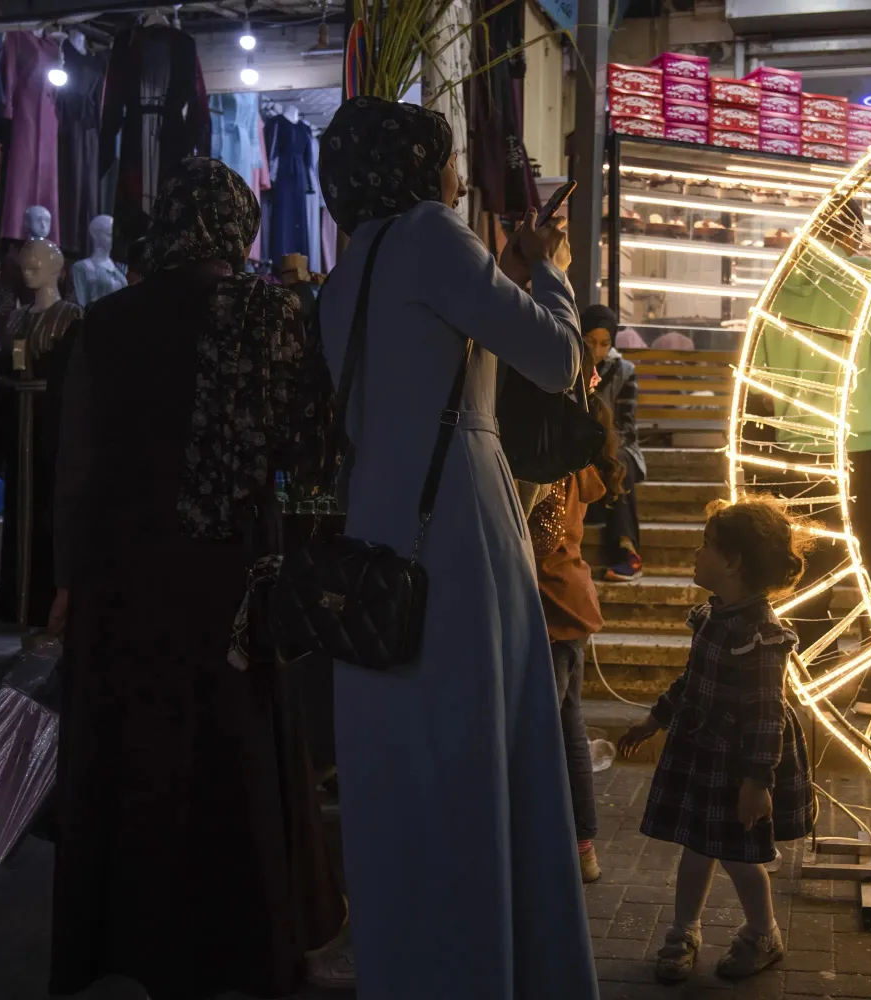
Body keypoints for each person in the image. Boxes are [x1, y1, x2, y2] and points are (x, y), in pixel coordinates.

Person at [314, 96, 599, 1000]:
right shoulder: (433, 235)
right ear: (416, 170)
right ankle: (502, 965)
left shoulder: (350, 262)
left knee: (409, 771)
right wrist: (548, 268)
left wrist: (506, 269)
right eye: (446, 160)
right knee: (485, 753)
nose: (459, 177)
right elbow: (557, 361)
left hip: (377, 527)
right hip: (459, 527)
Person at [49, 158, 345, 999]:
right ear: (238, 225)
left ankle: (144, 946)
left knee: (138, 758)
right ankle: (249, 942)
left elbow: (79, 467)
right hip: (233, 574)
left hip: (125, 579)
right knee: (234, 756)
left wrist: (69, 581)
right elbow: (306, 454)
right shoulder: (270, 314)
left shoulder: (105, 325)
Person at [617, 496, 812, 984]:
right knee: (698, 844)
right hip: (703, 748)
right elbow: (691, 681)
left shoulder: (761, 634)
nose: (695, 554)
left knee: (738, 854)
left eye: (706, 546)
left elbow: (766, 714)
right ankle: (685, 930)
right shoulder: (713, 615)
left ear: (734, 562)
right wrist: (654, 720)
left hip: (738, 759)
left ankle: (762, 933)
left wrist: (757, 780)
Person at [752, 200, 871, 712]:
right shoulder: (864, 278)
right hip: (860, 451)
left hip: (799, 456)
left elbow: (760, 367)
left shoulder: (779, 286)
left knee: (806, 573)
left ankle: (814, 674)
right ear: (855, 235)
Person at [531, 359, 627, 885]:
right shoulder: (575, 469)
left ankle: (566, 844)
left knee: (552, 732)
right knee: (568, 728)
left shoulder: (554, 471)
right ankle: (580, 845)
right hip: (568, 604)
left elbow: (539, 543)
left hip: (553, 607)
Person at [581, 303, 646, 581]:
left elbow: (626, 426)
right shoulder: (568, 363)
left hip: (616, 445)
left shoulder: (623, 370)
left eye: (604, 343)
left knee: (617, 461)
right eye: (591, 342)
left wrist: (603, 443)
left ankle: (626, 548)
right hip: (578, 443)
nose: (597, 350)